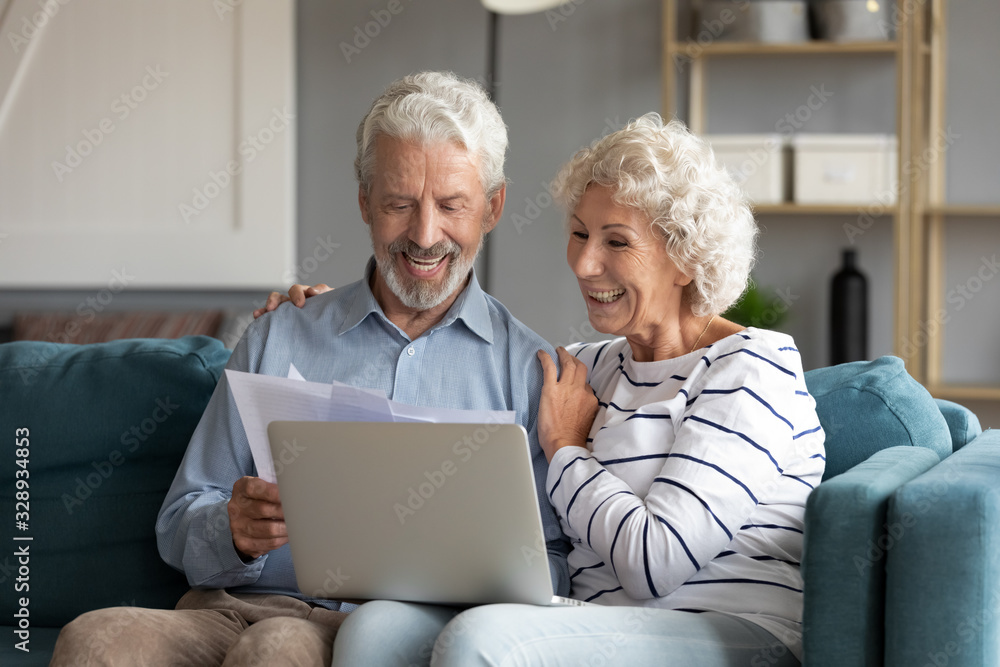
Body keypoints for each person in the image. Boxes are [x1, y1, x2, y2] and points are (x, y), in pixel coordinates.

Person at [48, 71, 571, 667]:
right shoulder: (281, 332)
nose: (425, 235)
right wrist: (233, 530)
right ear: (364, 202)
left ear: (494, 206)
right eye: (399, 204)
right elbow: (179, 520)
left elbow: (555, 563)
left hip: (378, 634)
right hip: (229, 607)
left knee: (275, 651)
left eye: (452, 205)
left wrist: (474, 569)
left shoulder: (528, 371)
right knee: (92, 641)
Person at [276, 113, 825, 665]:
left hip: (728, 633)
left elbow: (656, 562)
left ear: (685, 258)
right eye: (580, 233)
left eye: (616, 241)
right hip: (587, 623)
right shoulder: (587, 369)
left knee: (479, 641)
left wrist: (566, 450)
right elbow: (463, 380)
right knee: (375, 629)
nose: (585, 264)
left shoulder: (752, 368)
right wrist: (326, 315)